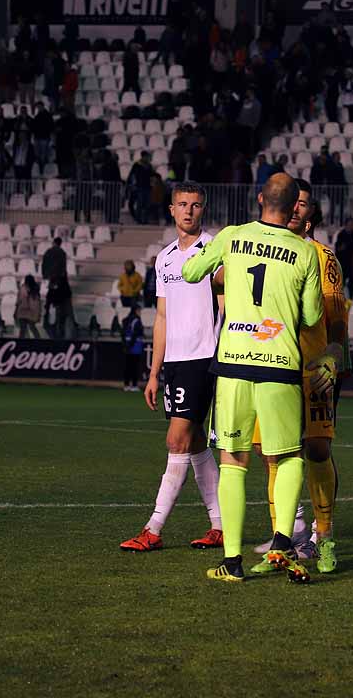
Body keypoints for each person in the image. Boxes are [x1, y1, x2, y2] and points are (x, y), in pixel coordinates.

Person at [181, 173, 327, 584]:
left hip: (233, 364)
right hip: (279, 365)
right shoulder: (303, 252)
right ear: (293, 204)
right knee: (288, 456)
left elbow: (192, 273)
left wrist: (224, 267)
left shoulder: (232, 235)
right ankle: (283, 542)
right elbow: (313, 317)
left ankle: (232, 561)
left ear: (260, 198)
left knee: (233, 459)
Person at [247, 182, 348, 575]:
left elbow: (337, 316)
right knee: (271, 453)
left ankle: (324, 538)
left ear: (310, 214)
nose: (294, 209)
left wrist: (334, 355)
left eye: (302, 204)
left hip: (311, 369)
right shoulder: (265, 250)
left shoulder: (322, 257)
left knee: (317, 449)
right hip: (269, 365)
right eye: (291, 202)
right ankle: (286, 536)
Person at [122, 182, 224, 553]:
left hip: (203, 358)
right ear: (171, 209)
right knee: (195, 442)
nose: (189, 211)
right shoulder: (163, 258)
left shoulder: (214, 250)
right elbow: (162, 316)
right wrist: (153, 371)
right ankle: (221, 525)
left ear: (203, 209)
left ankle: (153, 528)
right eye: (183, 204)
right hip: (175, 363)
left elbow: (226, 307)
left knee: (176, 440)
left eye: (196, 205)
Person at [121, 304, 146, 392]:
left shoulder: (125, 320)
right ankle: (134, 385)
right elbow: (136, 334)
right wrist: (131, 345)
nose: (140, 313)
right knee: (135, 366)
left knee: (127, 366)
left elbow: (123, 333)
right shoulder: (136, 320)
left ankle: (126, 385)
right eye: (139, 311)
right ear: (136, 311)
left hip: (127, 346)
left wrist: (125, 345)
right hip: (135, 347)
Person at [44, 275, 73, 339]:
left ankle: (56, 339)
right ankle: (57, 339)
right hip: (57, 308)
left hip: (57, 308)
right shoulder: (61, 288)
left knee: (57, 325)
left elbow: (50, 298)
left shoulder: (58, 289)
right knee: (57, 325)